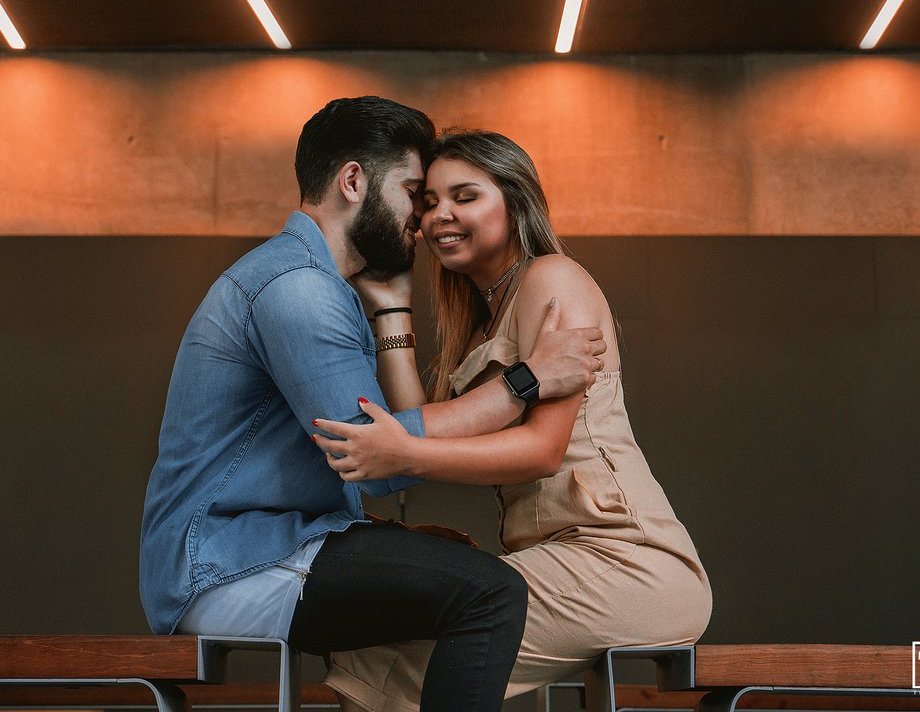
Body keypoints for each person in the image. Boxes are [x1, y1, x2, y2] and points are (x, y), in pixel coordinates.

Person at [138, 98, 608, 712]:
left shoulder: (315, 281)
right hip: (228, 564)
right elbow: (379, 456)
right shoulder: (298, 289)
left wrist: (391, 311)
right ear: (354, 182)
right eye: (414, 193)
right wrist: (527, 381)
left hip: (262, 549)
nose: (423, 218)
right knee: (490, 593)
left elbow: (382, 452)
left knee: (456, 583)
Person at [313, 129, 713, 712]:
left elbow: (542, 450)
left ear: (515, 202)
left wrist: (405, 453)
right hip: (562, 559)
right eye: (429, 201)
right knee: (369, 648)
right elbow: (417, 422)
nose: (439, 215)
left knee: (379, 662)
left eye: (465, 196)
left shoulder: (552, 278)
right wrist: (393, 307)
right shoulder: (480, 320)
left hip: (626, 561)